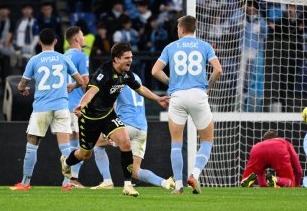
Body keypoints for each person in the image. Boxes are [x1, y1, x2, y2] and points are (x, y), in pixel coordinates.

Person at [60, 42, 169, 197]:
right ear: (116, 59)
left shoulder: (126, 75)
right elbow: (92, 90)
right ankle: (66, 162)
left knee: (125, 143)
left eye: (131, 57)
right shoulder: (104, 71)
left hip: (108, 115)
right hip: (90, 118)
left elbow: (140, 88)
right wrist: (82, 105)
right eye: (126, 58)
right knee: (85, 154)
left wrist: (157, 99)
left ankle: (127, 185)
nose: (130, 60)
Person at [152, 15, 223, 194]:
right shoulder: (204, 46)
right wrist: (208, 86)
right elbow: (218, 69)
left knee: (176, 143)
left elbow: (154, 71)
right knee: (207, 140)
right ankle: (195, 174)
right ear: (194, 29)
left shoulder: (170, 47)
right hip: (198, 95)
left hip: (177, 96)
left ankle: (178, 185)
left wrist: (171, 83)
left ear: (181, 29)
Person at [9, 28, 84, 191]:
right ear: (56, 42)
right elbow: (80, 81)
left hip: (41, 108)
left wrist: (23, 89)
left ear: (39, 42)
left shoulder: (34, 60)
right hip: (62, 107)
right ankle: (66, 183)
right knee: (65, 147)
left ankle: (25, 182)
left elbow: (22, 83)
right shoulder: (63, 58)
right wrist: (72, 85)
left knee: (32, 144)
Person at [91, 72, 175, 190]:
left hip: (126, 125)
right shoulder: (136, 77)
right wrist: (157, 98)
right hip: (142, 128)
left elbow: (111, 103)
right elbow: (142, 90)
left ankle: (107, 181)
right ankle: (164, 182)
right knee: (135, 171)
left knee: (97, 143)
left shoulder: (115, 77)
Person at [63, 26, 89, 188]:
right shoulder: (81, 56)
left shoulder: (64, 56)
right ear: (77, 39)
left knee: (72, 142)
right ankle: (72, 179)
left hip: (64, 104)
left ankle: (69, 179)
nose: (84, 38)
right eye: (82, 35)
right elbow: (85, 82)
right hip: (78, 105)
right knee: (83, 145)